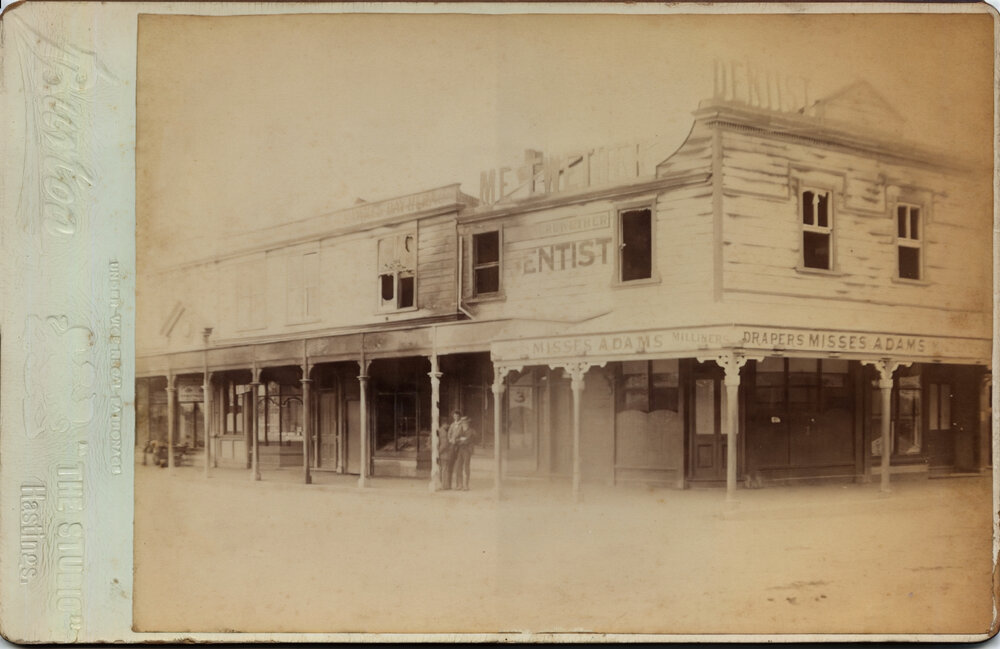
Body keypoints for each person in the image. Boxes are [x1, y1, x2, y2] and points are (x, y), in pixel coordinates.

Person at [449, 411, 478, 491]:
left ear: (468, 423)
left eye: (465, 423)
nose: (463, 424)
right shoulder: (460, 430)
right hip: (460, 450)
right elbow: (455, 438)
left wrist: (460, 440)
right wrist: (460, 439)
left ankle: (466, 485)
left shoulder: (471, 431)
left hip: (467, 451)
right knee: (458, 467)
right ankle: (460, 485)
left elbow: (467, 440)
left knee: (466, 467)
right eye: (462, 423)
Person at [437, 422, 455, 490]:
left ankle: (444, 485)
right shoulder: (444, 432)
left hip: (443, 454)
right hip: (445, 454)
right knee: (444, 470)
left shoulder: (441, 431)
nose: (448, 426)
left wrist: (438, 452)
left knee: (443, 470)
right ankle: (445, 485)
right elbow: (444, 444)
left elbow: (443, 445)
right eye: (447, 424)